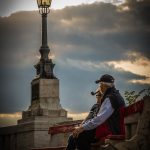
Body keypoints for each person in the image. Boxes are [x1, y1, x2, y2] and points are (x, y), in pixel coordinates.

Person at [66, 74, 125, 150]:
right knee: (76, 135)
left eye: (100, 85)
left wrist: (82, 128)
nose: (99, 88)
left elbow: (100, 118)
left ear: (104, 86)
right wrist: (83, 128)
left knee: (80, 135)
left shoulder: (110, 98)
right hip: (112, 128)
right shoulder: (114, 96)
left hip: (112, 130)